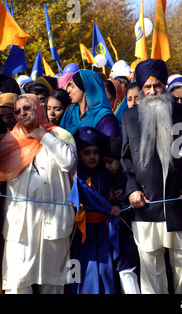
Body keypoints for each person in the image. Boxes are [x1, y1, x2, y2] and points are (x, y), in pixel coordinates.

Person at [121, 58, 182, 294]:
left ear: (165, 85)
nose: (152, 91)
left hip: (180, 205)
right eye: (147, 87)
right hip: (146, 205)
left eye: (157, 86)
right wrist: (132, 189)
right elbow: (125, 159)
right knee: (150, 275)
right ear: (141, 88)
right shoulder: (130, 117)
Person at [0, 94, 76, 294]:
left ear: (38, 107)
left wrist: (44, 137)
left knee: (53, 284)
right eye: (17, 111)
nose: (22, 113)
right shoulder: (10, 142)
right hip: (21, 227)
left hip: (53, 224)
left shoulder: (60, 135)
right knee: (17, 284)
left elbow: (68, 162)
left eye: (26, 108)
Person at [70, 126, 121, 294]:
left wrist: (114, 204)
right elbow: (81, 195)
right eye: (86, 152)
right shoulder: (75, 175)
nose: (92, 157)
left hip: (102, 229)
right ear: (78, 154)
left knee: (105, 269)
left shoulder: (104, 174)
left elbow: (107, 197)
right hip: (82, 231)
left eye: (96, 152)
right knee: (85, 268)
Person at [102, 136, 141, 294]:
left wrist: (126, 194)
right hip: (116, 232)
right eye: (104, 162)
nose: (107, 167)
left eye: (110, 162)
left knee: (127, 270)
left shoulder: (129, 177)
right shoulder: (107, 180)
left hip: (129, 233)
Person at [60, 69, 120, 138]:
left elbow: (111, 145)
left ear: (86, 87)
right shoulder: (70, 112)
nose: (68, 90)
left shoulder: (104, 118)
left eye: (72, 86)